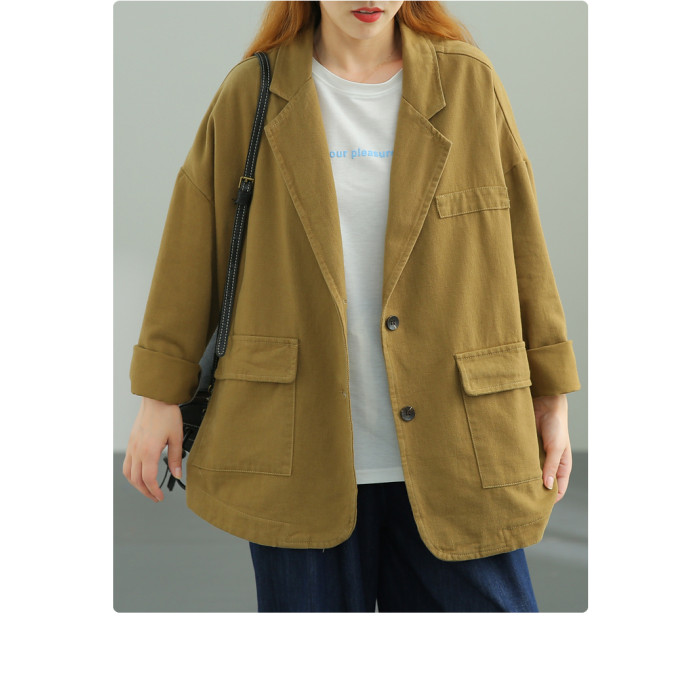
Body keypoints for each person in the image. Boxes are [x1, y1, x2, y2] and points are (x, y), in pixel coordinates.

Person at [123, 1, 582, 612]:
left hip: (460, 442)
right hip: (298, 449)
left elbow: (522, 241)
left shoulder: (468, 81)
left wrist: (551, 394)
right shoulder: (253, 91)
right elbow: (193, 242)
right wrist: (159, 396)